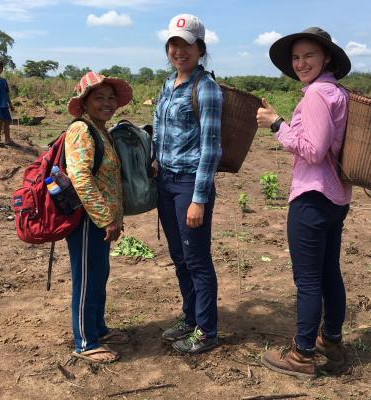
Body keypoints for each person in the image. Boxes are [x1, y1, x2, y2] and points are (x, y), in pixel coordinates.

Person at [256, 27, 352, 378]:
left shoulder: (316, 95)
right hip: (335, 197)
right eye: (296, 57)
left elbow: (313, 150)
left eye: (309, 55)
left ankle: (302, 356)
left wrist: (276, 123)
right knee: (329, 272)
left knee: (308, 280)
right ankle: (332, 341)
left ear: (326, 57)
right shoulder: (335, 92)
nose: (301, 63)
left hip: (312, 197)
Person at [153, 14, 223, 354]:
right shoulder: (168, 85)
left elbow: (211, 148)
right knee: (179, 256)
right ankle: (190, 317)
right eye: (173, 44)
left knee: (197, 259)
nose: (179, 50)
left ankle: (207, 331)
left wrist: (199, 199)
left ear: (200, 49)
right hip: (166, 183)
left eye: (186, 44)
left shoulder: (206, 88)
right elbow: (158, 127)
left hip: (189, 185)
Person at [64, 71, 133, 363]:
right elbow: (80, 177)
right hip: (87, 220)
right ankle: (84, 341)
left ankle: (98, 328)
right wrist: (105, 218)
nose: (106, 103)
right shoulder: (82, 130)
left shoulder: (101, 129)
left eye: (110, 98)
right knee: (86, 277)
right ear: (84, 102)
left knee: (98, 274)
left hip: (101, 221)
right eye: (98, 98)